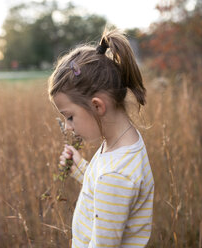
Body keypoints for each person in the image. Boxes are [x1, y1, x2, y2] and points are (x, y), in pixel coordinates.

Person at [48, 28, 154, 248]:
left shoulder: (115, 177)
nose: (67, 127)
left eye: (69, 116)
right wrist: (79, 168)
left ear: (97, 106)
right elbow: (104, 184)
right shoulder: (122, 144)